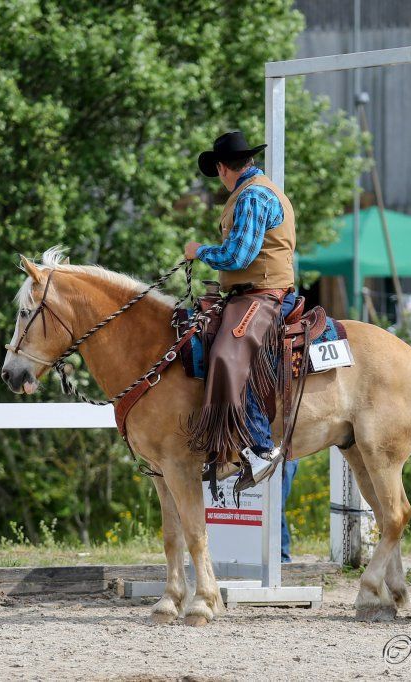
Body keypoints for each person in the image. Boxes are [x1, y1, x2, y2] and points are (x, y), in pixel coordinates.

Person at [184, 130, 298, 488]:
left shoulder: (251, 196)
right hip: (248, 294)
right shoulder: (256, 191)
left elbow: (238, 256)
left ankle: (259, 449)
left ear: (221, 168)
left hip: (264, 295)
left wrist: (198, 251)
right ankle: (222, 449)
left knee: (226, 356)